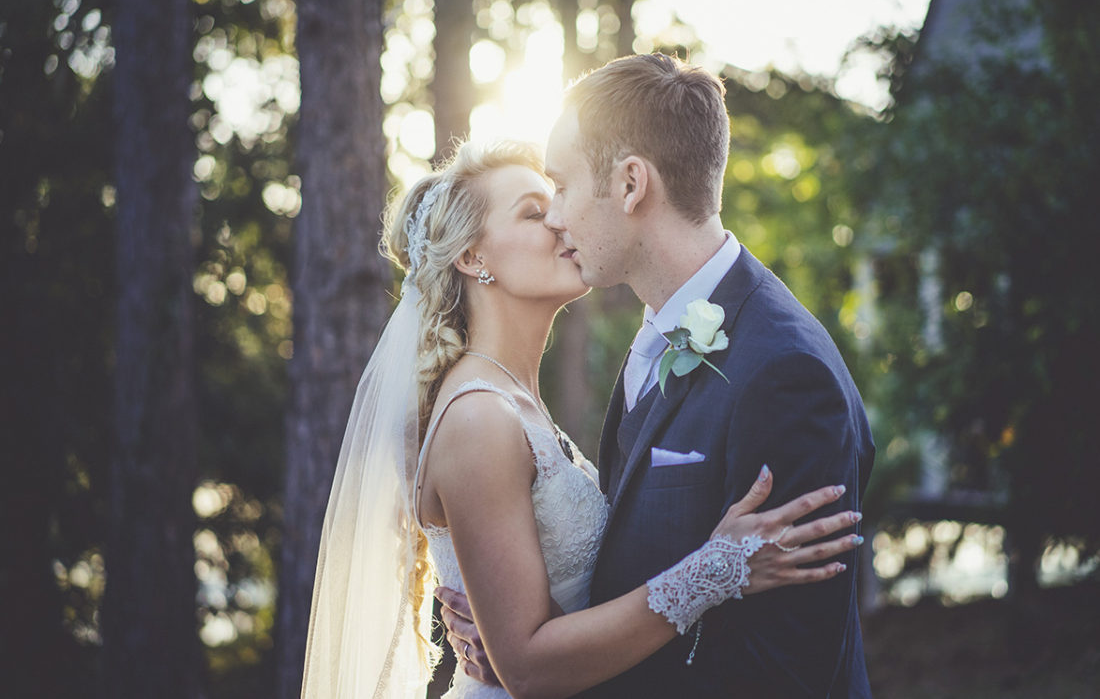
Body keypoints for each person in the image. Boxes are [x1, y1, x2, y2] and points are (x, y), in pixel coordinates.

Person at [300, 140, 864, 699]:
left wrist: (509, 632)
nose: (561, 222)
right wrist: (715, 571)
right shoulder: (478, 418)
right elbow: (526, 667)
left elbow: (542, 623)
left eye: (558, 202)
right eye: (532, 212)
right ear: (473, 258)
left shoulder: (517, 403)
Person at [439, 54, 876, 697]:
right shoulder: (661, 331)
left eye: (561, 185)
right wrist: (533, 642)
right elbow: (634, 558)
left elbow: (783, 669)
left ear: (630, 185)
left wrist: (540, 666)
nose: (556, 217)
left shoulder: (784, 372)